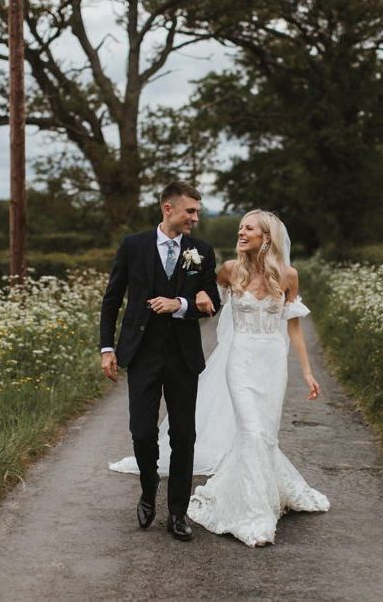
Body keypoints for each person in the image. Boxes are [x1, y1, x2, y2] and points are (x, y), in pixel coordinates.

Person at [110, 209, 329, 547]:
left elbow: (294, 327)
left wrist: (308, 371)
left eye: (249, 228)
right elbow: (204, 290)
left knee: (264, 435)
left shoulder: (288, 275)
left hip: (272, 363)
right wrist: (199, 295)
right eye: (240, 227)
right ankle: (256, 515)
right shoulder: (230, 270)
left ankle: (259, 489)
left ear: (266, 237)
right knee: (252, 430)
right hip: (239, 360)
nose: (241, 232)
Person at [99, 182, 221, 541]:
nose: (196, 218)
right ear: (168, 208)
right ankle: (148, 489)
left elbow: (213, 300)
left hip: (183, 357)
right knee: (142, 431)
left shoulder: (202, 250)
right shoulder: (133, 245)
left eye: (197, 212)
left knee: (184, 435)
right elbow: (112, 300)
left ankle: (177, 513)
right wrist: (107, 348)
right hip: (141, 354)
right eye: (190, 212)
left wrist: (181, 305)